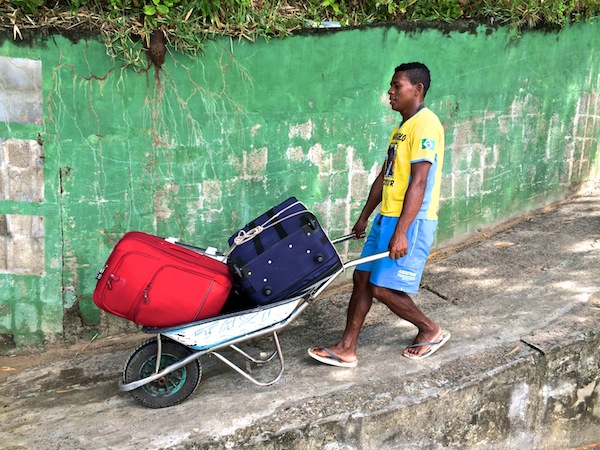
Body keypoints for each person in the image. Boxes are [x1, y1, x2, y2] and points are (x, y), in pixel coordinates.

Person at [308, 62, 449, 367]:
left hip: (411, 221)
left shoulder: (426, 124)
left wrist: (401, 231)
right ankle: (347, 347)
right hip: (388, 216)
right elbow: (384, 176)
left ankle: (430, 329)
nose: (390, 91)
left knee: (381, 287)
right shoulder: (401, 129)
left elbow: (420, 181)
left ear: (418, 89)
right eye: (391, 85)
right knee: (361, 278)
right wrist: (364, 216)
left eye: (397, 85)